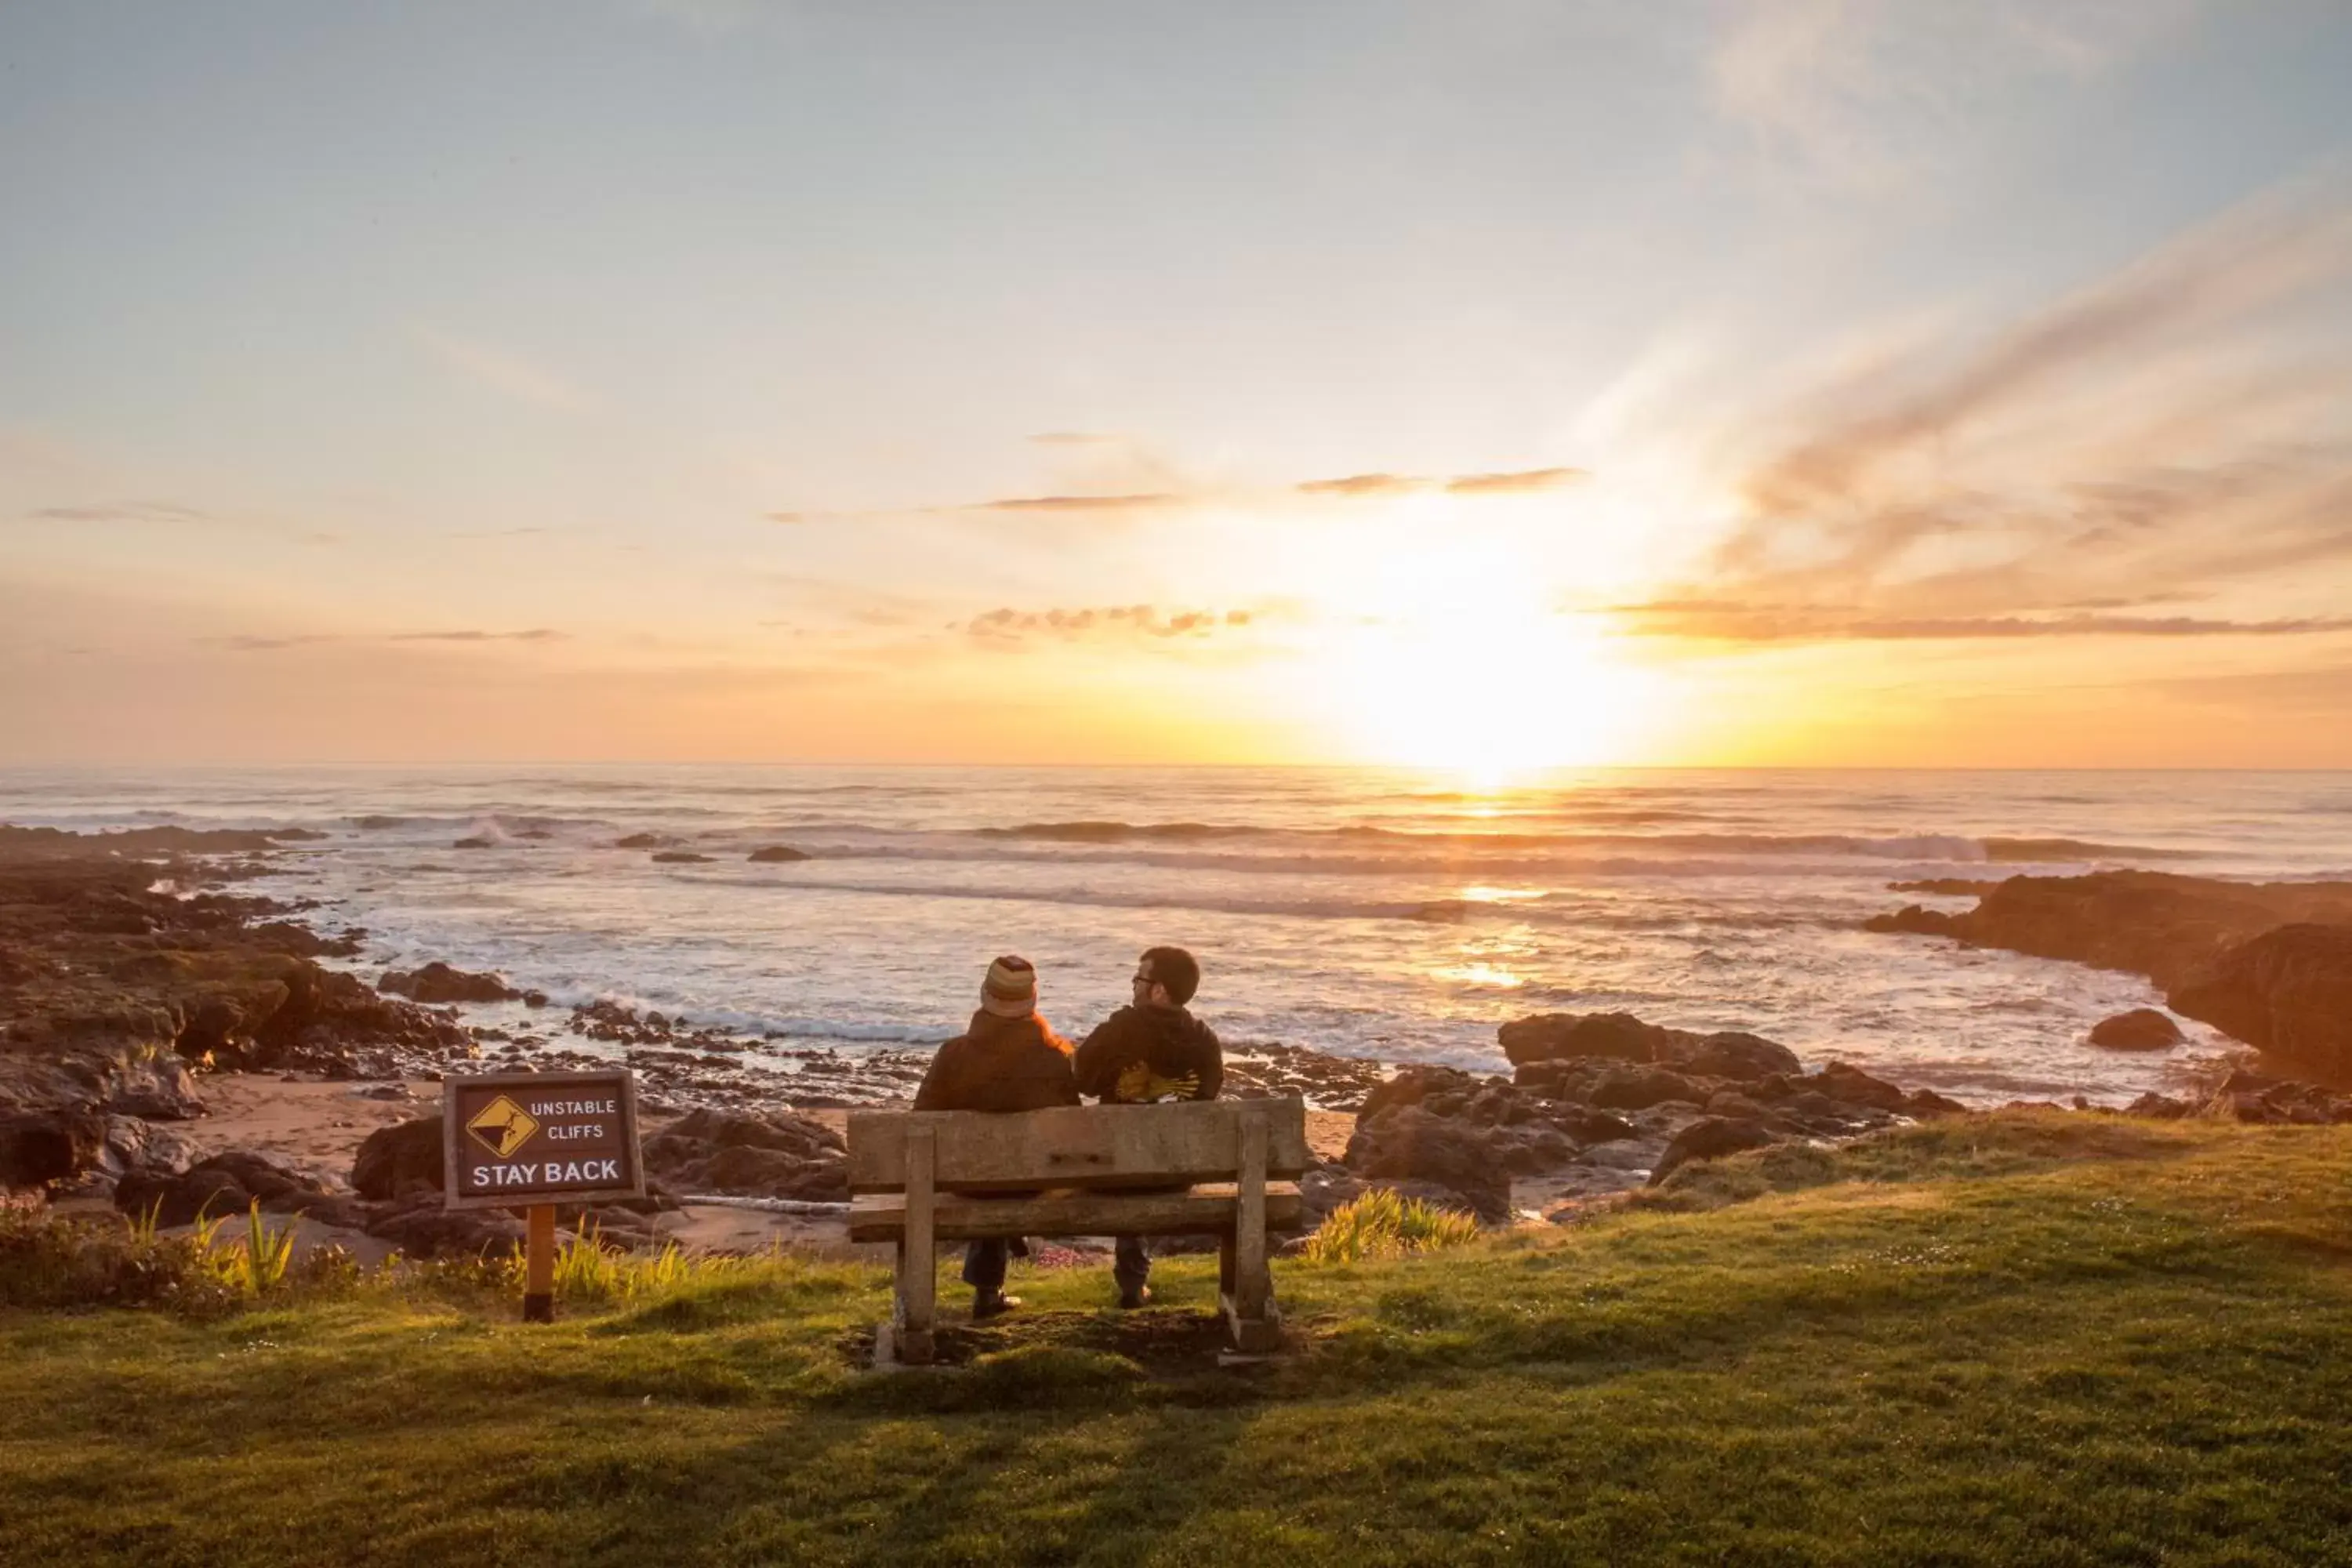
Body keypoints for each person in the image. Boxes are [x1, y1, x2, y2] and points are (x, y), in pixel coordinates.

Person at [911, 954, 1079, 1319]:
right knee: (1005, 1170)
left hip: (968, 1180)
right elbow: (1073, 1127)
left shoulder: (954, 1055)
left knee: (987, 1170)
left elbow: (919, 1123)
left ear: (985, 994)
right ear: (1032, 1001)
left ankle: (987, 1291)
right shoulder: (1055, 1059)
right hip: (1031, 1181)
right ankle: (989, 1291)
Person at [1073, 945, 1223, 1308]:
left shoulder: (1119, 1029)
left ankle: (1132, 1280)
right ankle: (1134, 1282)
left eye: (1139, 978)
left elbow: (1083, 1081)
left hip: (1116, 1171)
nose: (1134, 986)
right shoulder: (1205, 1040)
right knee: (1143, 1156)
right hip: (1177, 1172)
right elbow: (1209, 1096)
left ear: (1158, 990)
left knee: (1126, 1160)